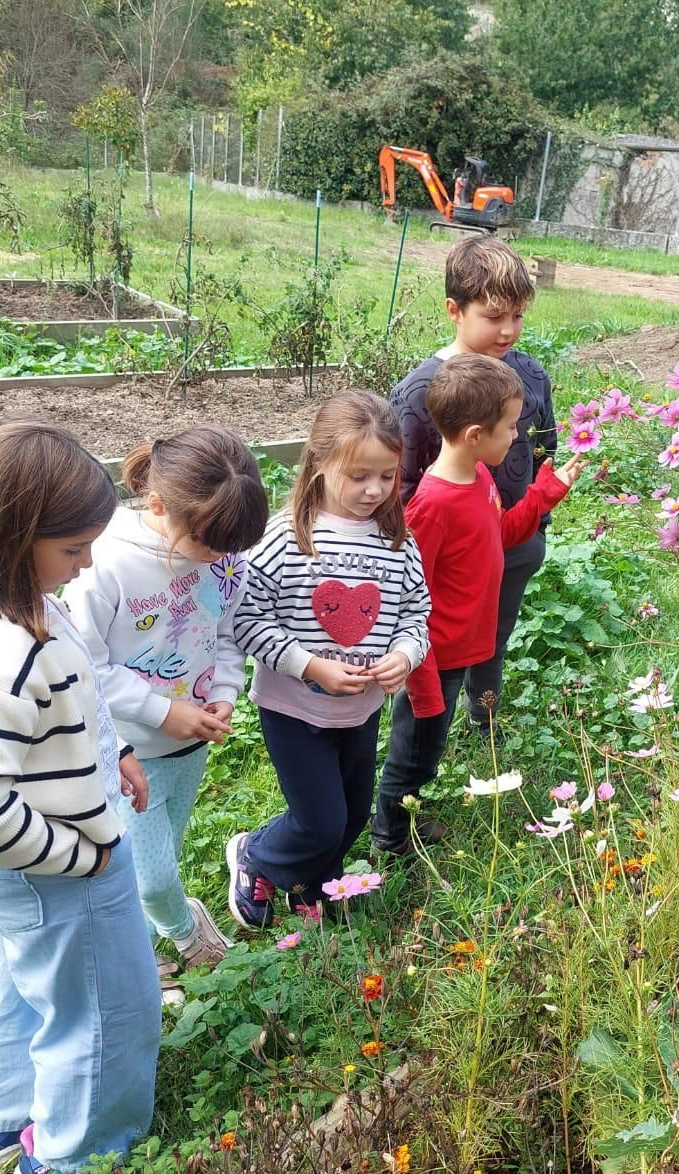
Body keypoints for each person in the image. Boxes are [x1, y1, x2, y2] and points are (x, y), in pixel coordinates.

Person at [0, 423, 160, 1174]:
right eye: (73, 547)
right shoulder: (11, 656)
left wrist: (114, 749)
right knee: (102, 1007)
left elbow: (72, 709)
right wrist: (73, 856)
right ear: (18, 537)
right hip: (54, 868)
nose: (87, 561)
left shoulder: (4, 616)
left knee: (20, 982)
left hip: (19, 873)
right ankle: (76, 1151)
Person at [66, 426, 268, 997]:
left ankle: (136, 940)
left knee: (163, 855)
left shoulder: (226, 555)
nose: (223, 558)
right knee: (149, 874)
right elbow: (85, 665)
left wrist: (224, 693)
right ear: (157, 505)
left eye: (232, 548)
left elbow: (226, 634)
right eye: (210, 546)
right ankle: (184, 935)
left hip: (192, 741)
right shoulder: (105, 564)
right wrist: (161, 711)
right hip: (130, 747)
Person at [226, 390, 431, 930]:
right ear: (318, 464)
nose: (374, 490)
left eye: (387, 476)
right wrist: (309, 666)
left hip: (359, 713)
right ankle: (255, 855)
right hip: (293, 709)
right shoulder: (286, 539)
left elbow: (416, 612)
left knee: (351, 815)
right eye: (359, 474)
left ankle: (312, 893)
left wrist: (404, 654)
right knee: (320, 821)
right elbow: (246, 619)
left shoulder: (397, 542)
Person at [373, 354, 582, 857]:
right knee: (416, 751)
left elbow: (503, 534)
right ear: (473, 434)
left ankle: (403, 816)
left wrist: (546, 492)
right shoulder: (434, 506)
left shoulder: (479, 480)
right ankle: (390, 835)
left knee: (430, 746)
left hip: (462, 648)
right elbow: (405, 600)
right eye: (509, 427)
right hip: (434, 657)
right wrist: (421, 681)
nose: (516, 437)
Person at [389, 237, 556, 737]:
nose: (508, 330)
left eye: (519, 316)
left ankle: (484, 714)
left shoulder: (529, 375)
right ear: (454, 311)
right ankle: (419, 737)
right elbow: (400, 485)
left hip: (515, 541)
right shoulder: (422, 393)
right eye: (494, 316)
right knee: (435, 648)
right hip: (445, 559)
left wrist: (537, 521)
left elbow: (546, 447)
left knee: (494, 633)